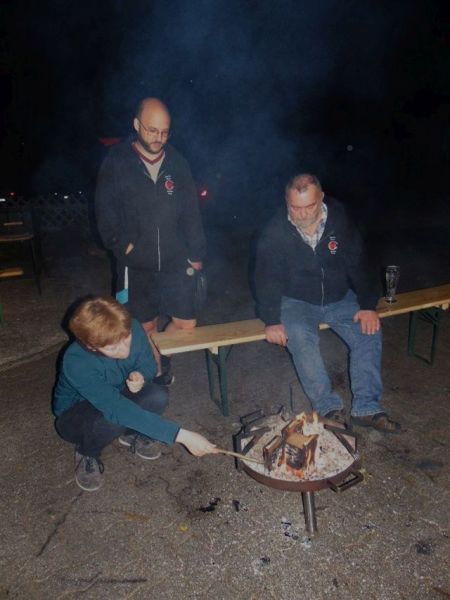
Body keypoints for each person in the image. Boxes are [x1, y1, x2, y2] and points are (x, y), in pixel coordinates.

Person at [255, 173, 400, 433]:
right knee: (300, 337)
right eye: (295, 207)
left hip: (339, 298)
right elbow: (265, 277)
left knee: (368, 332)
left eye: (309, 206)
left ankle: (366, 408)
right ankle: (328, 408)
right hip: (297, 301)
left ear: (321, 198)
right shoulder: (275, 230)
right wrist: (271, 319)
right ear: (287, 202)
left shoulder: (340, 219)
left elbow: (361, 262)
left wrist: (368, 305)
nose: (302, 214)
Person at [53, 297, 218, 492]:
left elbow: (149, 365)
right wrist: (181, 435)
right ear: (91, 346)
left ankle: (131, 434)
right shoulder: (76, 361)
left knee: (158, 395)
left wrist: (140, 374)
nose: (124, 350)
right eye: (113, 348)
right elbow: (117, 408)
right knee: (111, 419)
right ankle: (87, 451)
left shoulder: (133, 328)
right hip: (74, 417)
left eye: (126, 339)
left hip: (116, 395)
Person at [95, 97, 206, 385]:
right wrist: (123, 247)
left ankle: (160, 354)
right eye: (152, 130)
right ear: (136, 125)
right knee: (143, 327)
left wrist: (196, 252)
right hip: (135, 265)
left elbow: (191, 212)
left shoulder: (178, 163)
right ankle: (155, 375)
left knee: (186, 323)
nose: (159, 138)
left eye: (164, 132)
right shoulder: (117, 161)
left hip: (175, 259)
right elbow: (104, 211)